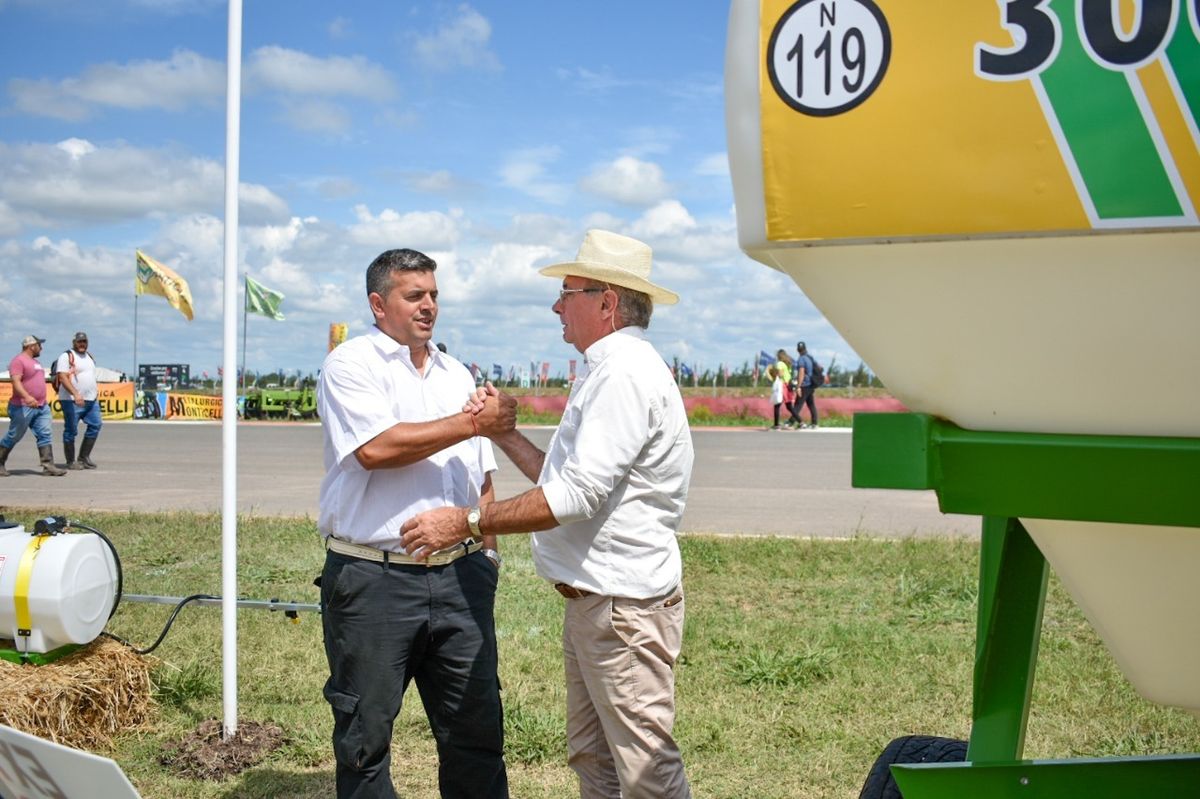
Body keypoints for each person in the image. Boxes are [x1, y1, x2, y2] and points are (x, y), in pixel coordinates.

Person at [401, 229, 695, 799]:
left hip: (622, 610)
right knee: (598, 761)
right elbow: (568, 480)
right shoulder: (606, 368)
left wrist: (464, 523)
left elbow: (573, 498)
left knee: (645, 772)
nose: (557, 305)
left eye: (568, 292)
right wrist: (506, 434)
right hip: (601, 605)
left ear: (606, 302)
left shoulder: (623, 374)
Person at [316, 248, 515, 799]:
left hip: (461, 577)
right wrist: (472, 420)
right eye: (414, 295)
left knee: (476, 734)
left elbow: (483, 476)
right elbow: (377, 450)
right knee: (365, 738)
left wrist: (489, 557)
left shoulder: (457, 374)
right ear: (379, 304)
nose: (429, 306)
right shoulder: (351, 365)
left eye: (433, 294)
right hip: (375, 581)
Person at [0, 335, 66, 477]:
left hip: (41, 406)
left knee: (45, 434)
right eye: (39, 345)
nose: (41, 348)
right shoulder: (18, 361)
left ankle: (48, 466)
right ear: (31, 346)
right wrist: (27, 397)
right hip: (23, 406)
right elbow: (16, 382)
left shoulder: (35, 362)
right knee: (14, 435)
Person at [56, 331, 102, 469]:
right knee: (71, 430)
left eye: (84, 342)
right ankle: (70, 461)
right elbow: (62, 377)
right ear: (74, 342)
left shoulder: (89, 356)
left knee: (96, 425)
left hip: (91, 400)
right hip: (71, 400)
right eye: (79, 342)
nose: (82, 344)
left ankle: (83, 457)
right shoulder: (66, 356)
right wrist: (75, 394)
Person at [794, 341, 819, 428]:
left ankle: (791, 421)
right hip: (811, 384)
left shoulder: (801, 359)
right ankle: (814, 423)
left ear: (798, 350)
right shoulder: (810, 358)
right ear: (805, 348)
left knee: (798, 405)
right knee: (811, 404)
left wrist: (798, 386)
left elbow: (801, 373)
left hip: (804, 385)